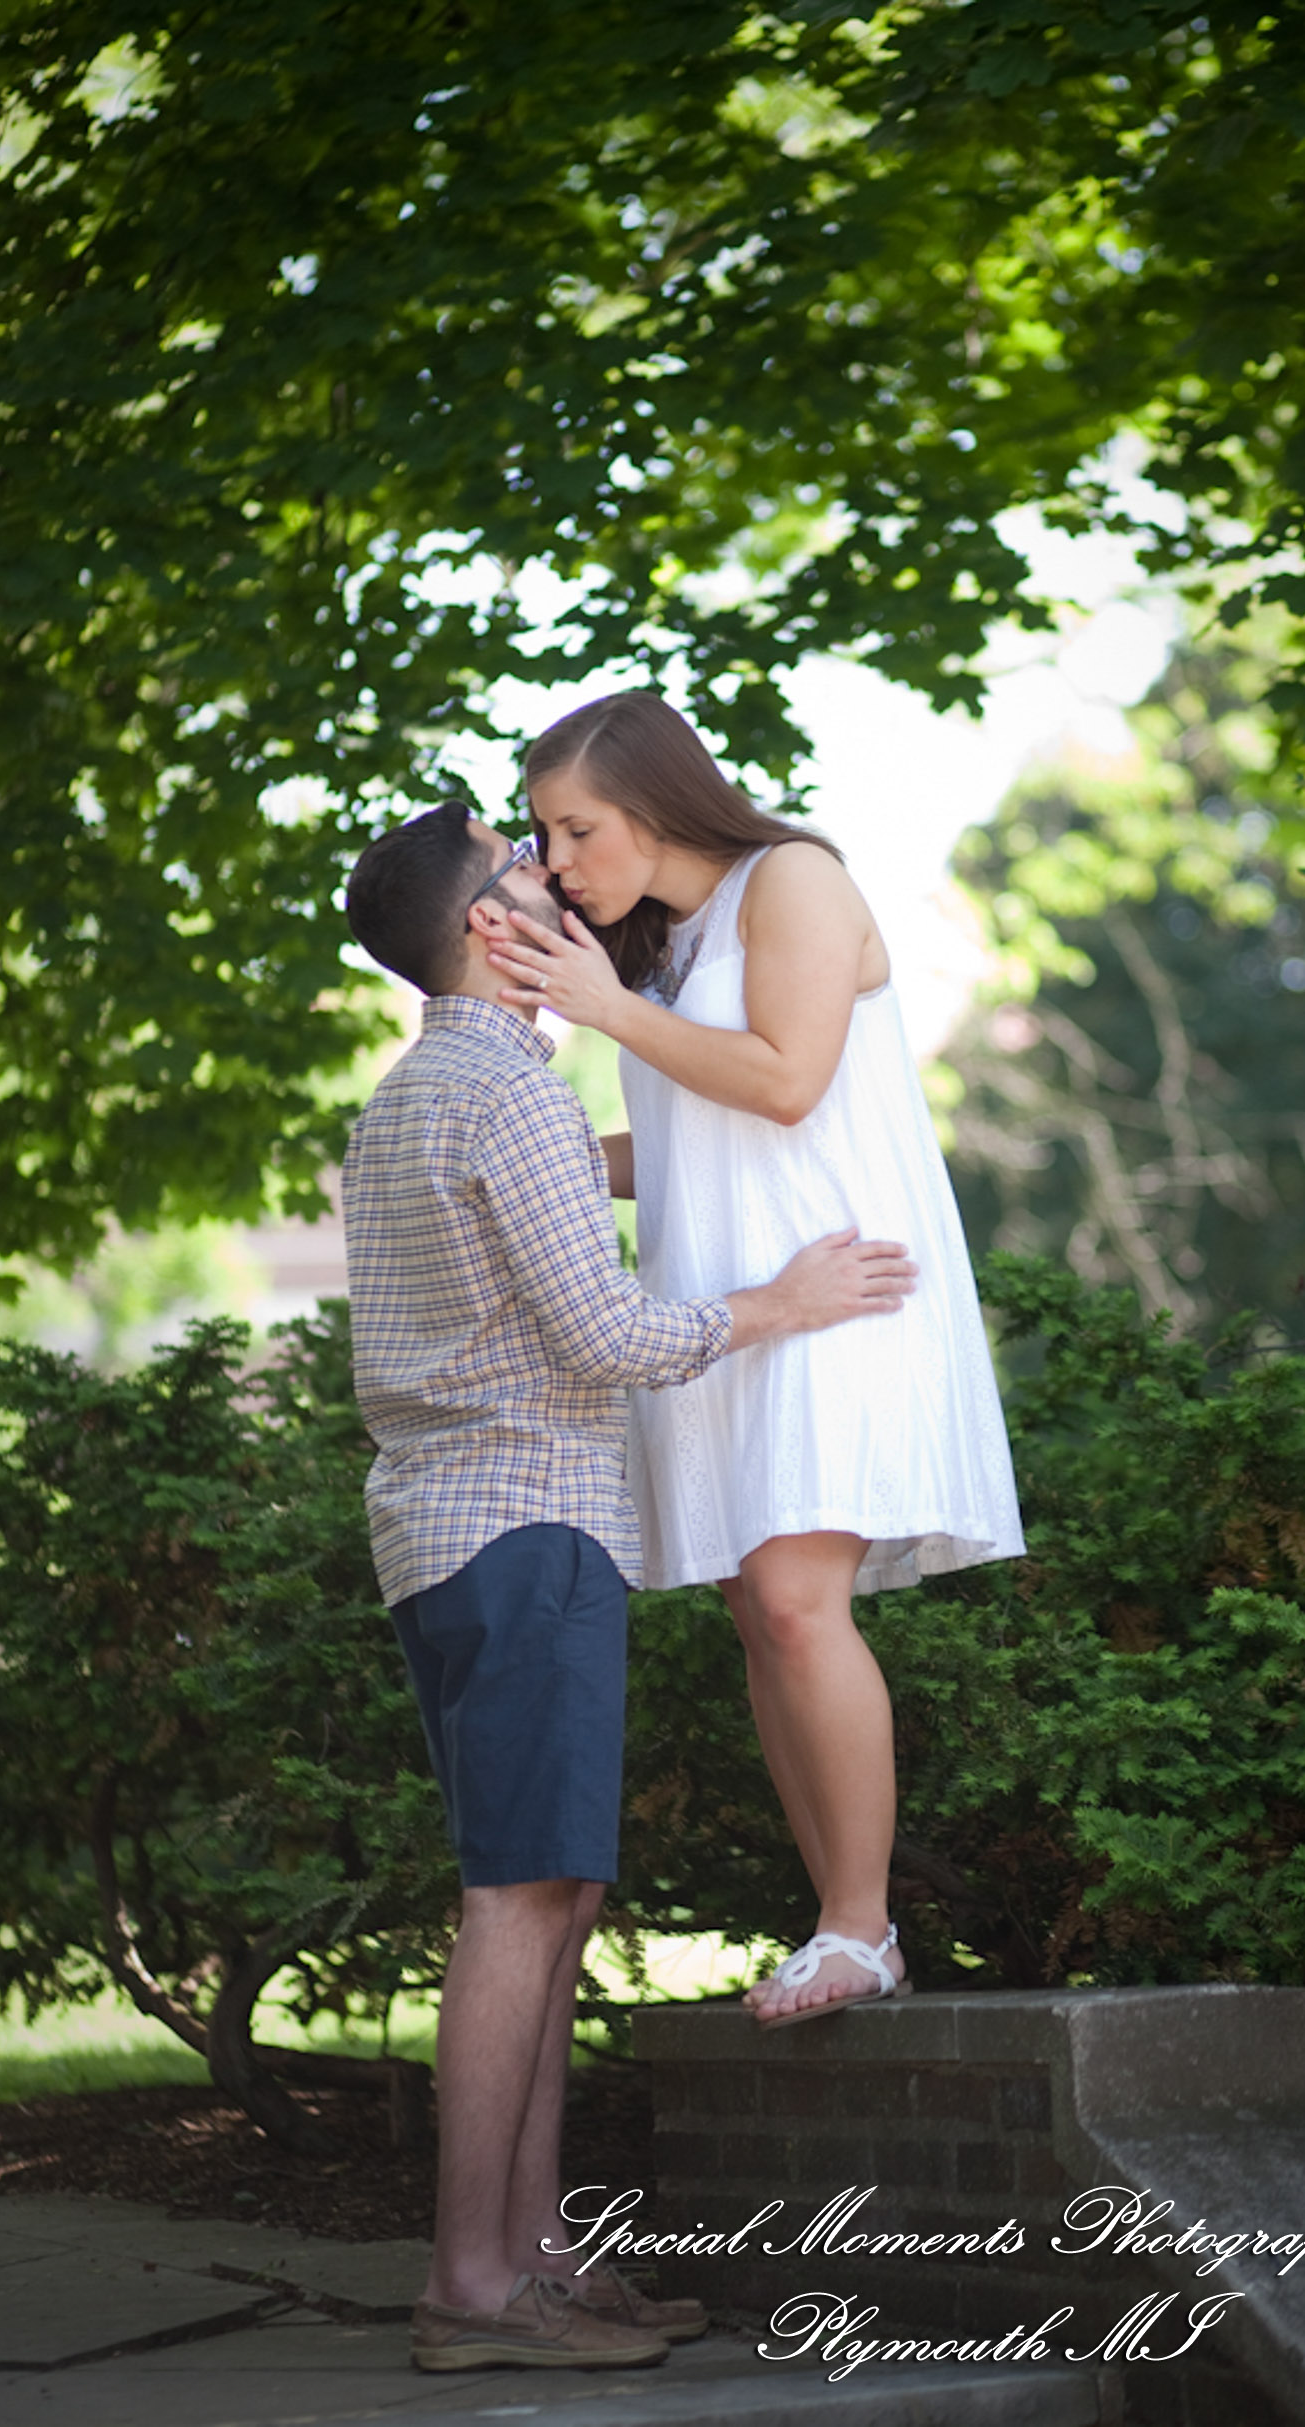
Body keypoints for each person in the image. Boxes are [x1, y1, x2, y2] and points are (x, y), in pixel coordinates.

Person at [340, 801, 915, 2374]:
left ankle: (534, 2259)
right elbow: (610, 1340)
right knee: (524, 1900)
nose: (557, 885)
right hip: (524, 1528)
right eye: (526, 875)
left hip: (457, 1535)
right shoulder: (503, 1093)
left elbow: (546, 1239)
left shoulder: (419, 1094)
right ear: (489, 930)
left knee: (553, 1889)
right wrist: (781, 1303)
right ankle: (475, 2286)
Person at [486, 693, 1025, 2028]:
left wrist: (605, 1010)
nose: (554, 859)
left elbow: (786, 1080)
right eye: (542, 831)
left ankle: (860, 1927)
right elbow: (677, 1143)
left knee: (793, 1596)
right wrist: (501, 1149)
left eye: (575, 826)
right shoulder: (655, 952)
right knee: (759, 1605)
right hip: (728, 1306)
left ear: (659, 803)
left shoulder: (796, 880)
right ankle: (842, 1923)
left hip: (839, 1287)